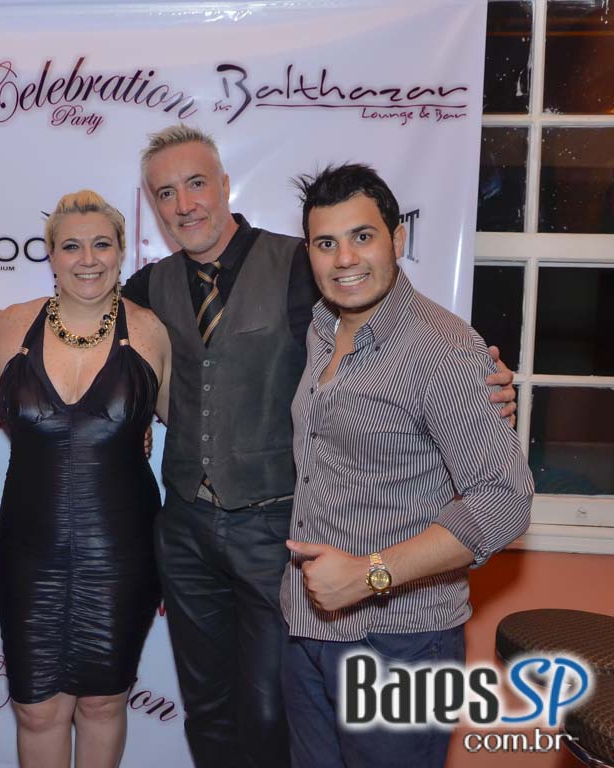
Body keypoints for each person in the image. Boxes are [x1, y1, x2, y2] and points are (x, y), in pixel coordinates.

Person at [121, 124, 518, 768]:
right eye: (166, 192)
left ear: (225, 185)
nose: (184, 203)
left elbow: (499, 492)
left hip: (351, 591)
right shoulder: (309, 322)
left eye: (197, 183)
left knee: (269, 718)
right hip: (243, 563)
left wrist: (484, 377)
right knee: (216, 711)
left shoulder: (328, 285)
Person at [281, 163, 534, 767]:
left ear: (397, 239)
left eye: (362, 236)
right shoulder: (321, 329)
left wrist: (369, 575)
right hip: (307, 632)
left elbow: (505, 500)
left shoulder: (441, 349)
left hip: (401, 642)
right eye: (325, 243)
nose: (344, 258)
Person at [0, 190, 172, 768]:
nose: (88, 259)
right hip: (28, 552)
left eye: (102, 244)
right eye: (71, 246)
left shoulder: (150, 332)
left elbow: (196, 432)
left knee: (104, 703)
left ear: (121, 251)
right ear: (52, 255)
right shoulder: (12, 327)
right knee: (37, 709)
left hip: (122, 554)